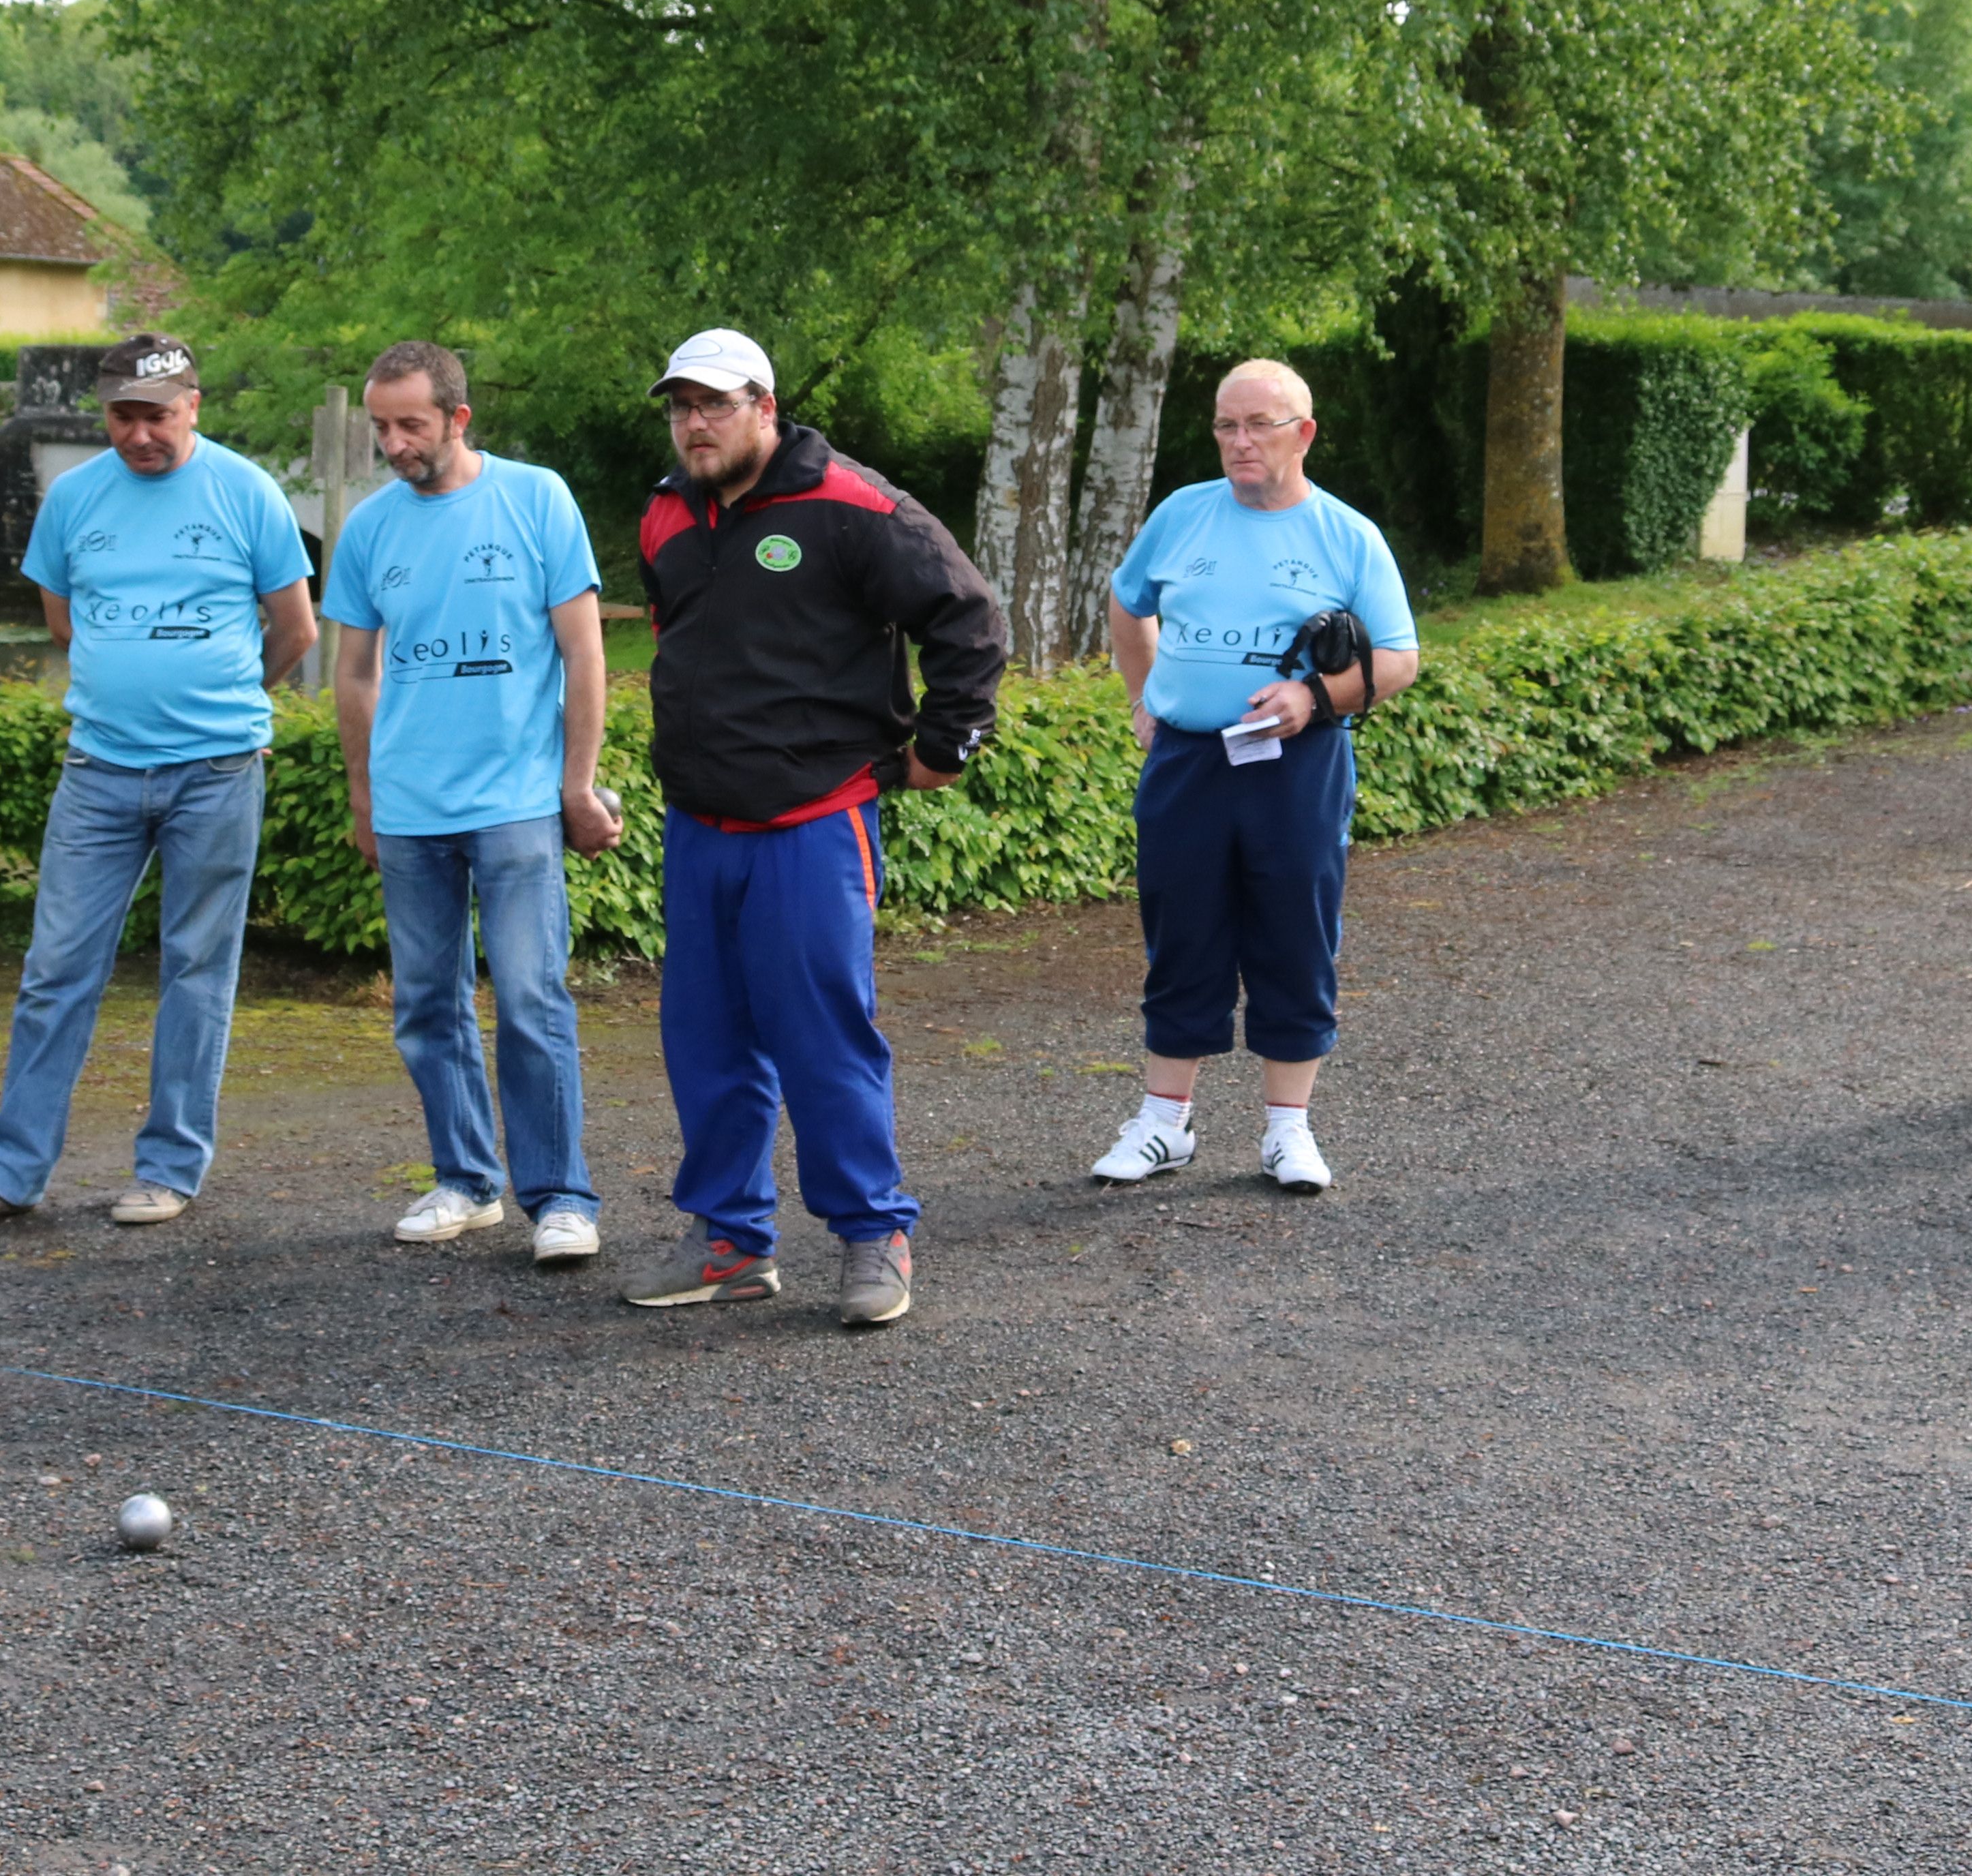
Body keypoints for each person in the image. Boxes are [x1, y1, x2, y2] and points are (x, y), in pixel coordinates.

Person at [616, 328, 1003, 1328]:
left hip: (812, 821)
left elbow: (968, 616)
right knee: (705, 1040)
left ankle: (875, 1234)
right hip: (700, 824)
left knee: (824, 1038)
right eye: (680, 406)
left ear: (764, 408)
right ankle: (730, 1243)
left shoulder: (851, 504)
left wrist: (942, 750)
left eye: (714, 404)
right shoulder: (668, 513)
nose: (694, 423)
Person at [0, 333, 318, 1229]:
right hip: (99, 770)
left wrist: (218, 701)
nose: (139, 434)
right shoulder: (72, 499)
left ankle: (169, 1168)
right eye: (122, 417)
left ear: (194, 406)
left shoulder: (246, 491)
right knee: (55, 969)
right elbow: (64, 621)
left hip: (216, 774)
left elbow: (294, 630)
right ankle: (9, 1171)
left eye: (157, 416)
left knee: (196, 971)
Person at [323, 340, 624, 1267]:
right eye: (381, 425)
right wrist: (366, 797)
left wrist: (577, 784)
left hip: (517, 804)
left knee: (532, 999)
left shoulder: (536, 499)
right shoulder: (371, 528)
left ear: (458, 417)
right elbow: (356, 671)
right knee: (426, 1004)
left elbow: (583, 654)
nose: (393, 442)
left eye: (410, 423)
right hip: (412, 809)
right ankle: (465, 1180)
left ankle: (562, 1197)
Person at [1089, 360, 1421, 1195]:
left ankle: (1288, 1131)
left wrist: (1315, 694)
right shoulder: (1182, 514)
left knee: (1294, 934)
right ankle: (1165, 1123)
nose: (1239, 442)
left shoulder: (1347, 534)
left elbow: (1400, 657)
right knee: (1180, 932)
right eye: (1226, 426)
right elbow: (1128, 606)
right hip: (1189, 762)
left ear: (1302, 433)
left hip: (1296, 767)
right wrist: (1142, 698)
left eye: (1259, 425)